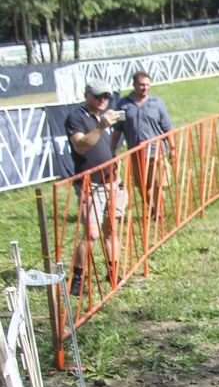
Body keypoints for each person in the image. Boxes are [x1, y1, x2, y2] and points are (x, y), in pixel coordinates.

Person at [65, 79, 126, 298]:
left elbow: (109, 148)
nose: (103, 100)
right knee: (91, 234)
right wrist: (101, 127)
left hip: (111, 181)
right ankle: (77, 279)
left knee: (111, 230)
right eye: (98, 96)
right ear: (87, 95)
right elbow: (80, 146)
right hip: (90, 185)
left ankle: (113, 273)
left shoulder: (108, 115)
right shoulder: (77, 117)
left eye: (106, 97)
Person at [119, 70, 174, 222]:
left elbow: (168, 127)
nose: (145, 88)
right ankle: (153, 208)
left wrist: (173, 148)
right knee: (143, 187)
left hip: (157, 153)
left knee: (158, 185)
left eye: (148, 85)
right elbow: (118, 129)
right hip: (136, 153)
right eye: (142, 85)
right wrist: (111, 149)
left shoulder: (157, 103)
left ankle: (160, 213)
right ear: (134, 85)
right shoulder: (123, 105)